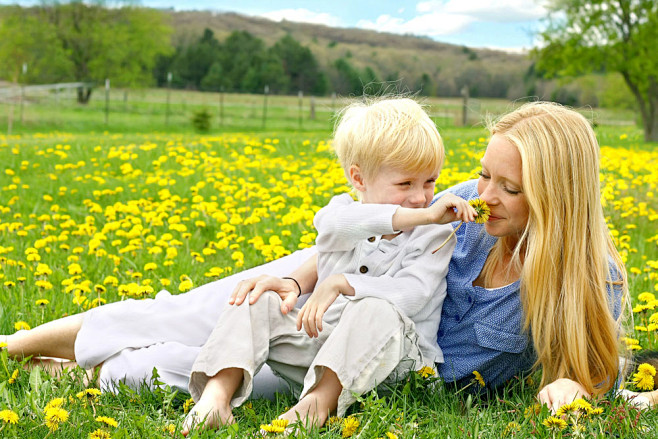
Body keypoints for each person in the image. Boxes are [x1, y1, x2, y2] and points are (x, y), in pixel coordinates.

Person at [1, 101, 650, 421]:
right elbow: (369, 236)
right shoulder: (462, 208)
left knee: (169, 372)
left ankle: (66, 373)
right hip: (325, 281)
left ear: (557, 196)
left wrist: (573, 387)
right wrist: (291, 276)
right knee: (185, 312)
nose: (483, 196)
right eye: (483, 175)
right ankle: (16, 344)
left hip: (365, 350)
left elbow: (588, 367)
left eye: (509, 188)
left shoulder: (591, 279)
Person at [181, 97, 477, 433]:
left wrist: (341, 283)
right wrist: (424, 214)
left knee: (376, 308)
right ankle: (216, 396)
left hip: (395, 366)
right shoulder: (340, 215)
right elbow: (338, 226)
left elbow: (413, 294)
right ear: (359, 178)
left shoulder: (434, 234)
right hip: (319, 348)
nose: (422, 198)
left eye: (430, 182)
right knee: (257, 298)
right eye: (405, 184)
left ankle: (316, 405)